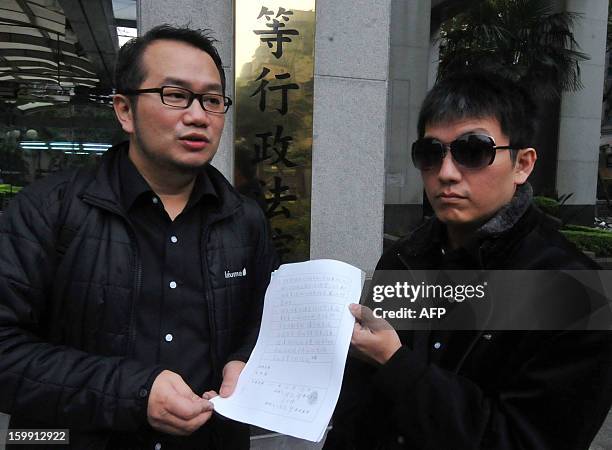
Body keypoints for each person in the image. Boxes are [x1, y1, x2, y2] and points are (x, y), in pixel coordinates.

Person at [0, 25, 278, 449]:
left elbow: (260, 324)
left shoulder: (245, 220)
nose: (198, 115)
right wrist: (133, 391)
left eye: (211, 99)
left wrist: (245, 362)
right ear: (124, 110)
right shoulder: (48, 210)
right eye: (175, 95)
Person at [324, 71, 612, 449]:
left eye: (473, 151)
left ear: (523, 164)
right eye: (430, 153)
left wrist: (396, 364)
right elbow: (358, 408)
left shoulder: (575, 292)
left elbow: (525, 439)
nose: (446, 173)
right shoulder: (404, 259)